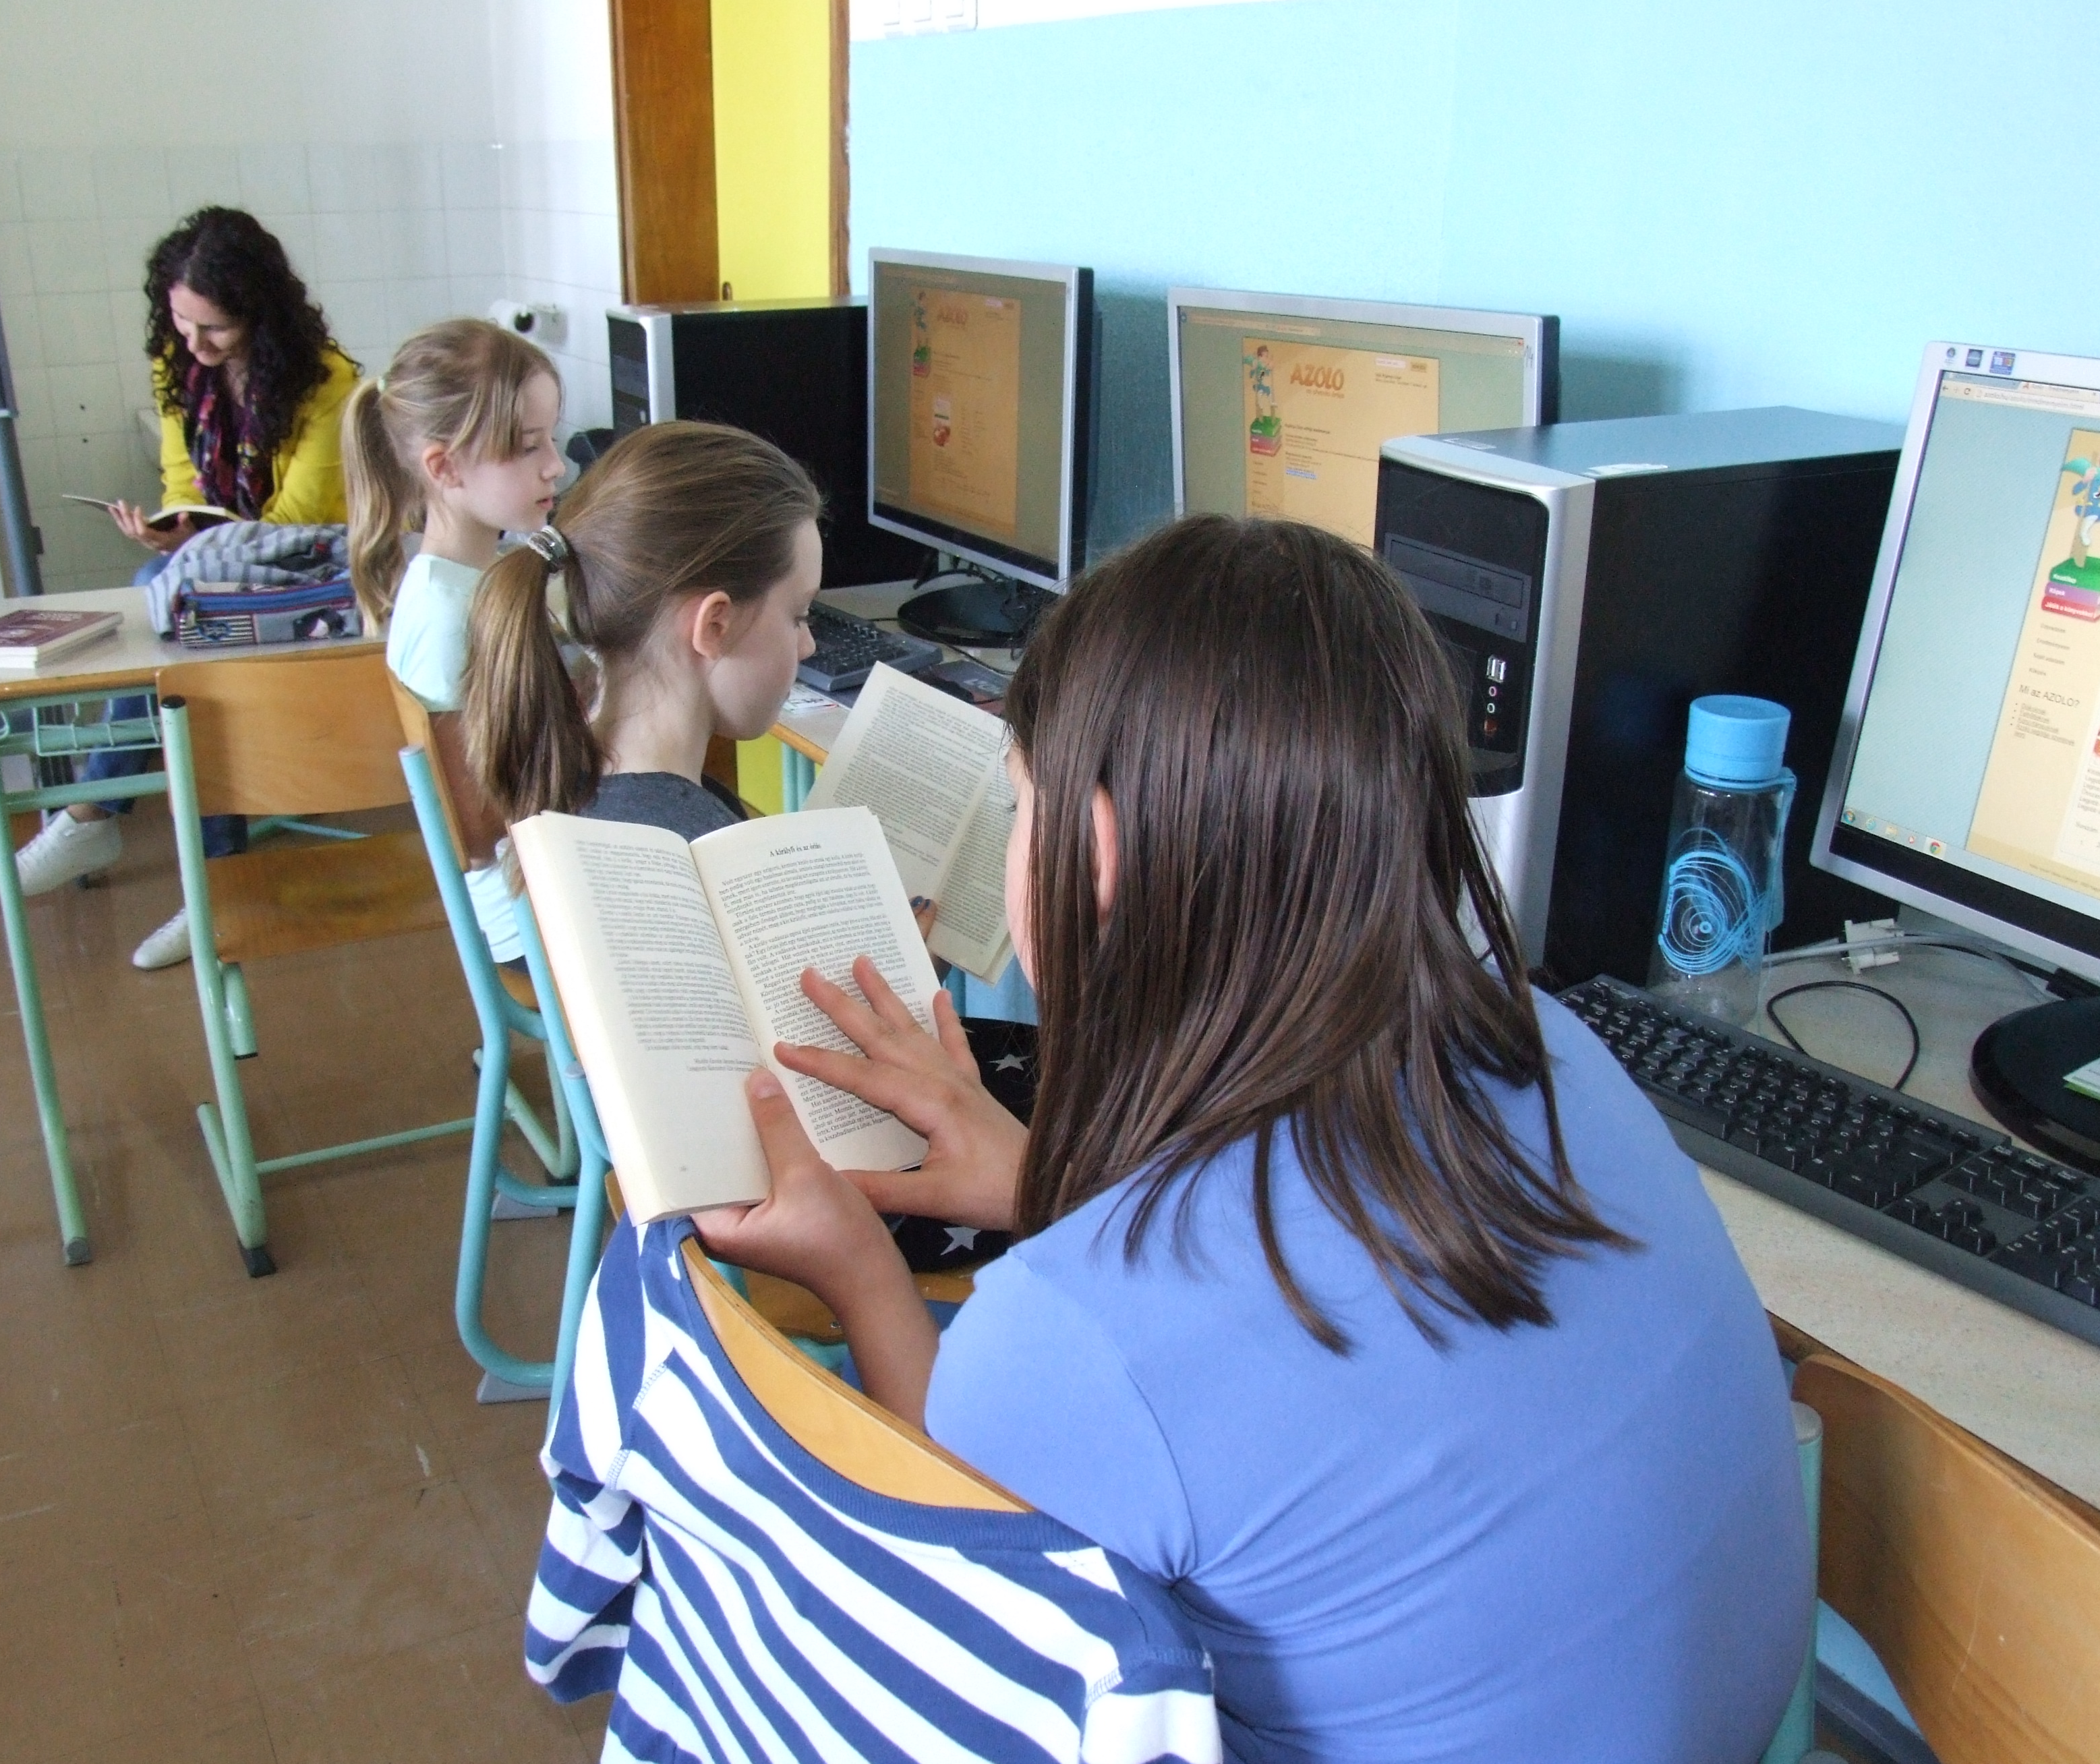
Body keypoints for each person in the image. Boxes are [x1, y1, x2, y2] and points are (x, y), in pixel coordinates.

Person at [690, 514, 1813, 1761]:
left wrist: (857, 1266)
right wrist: (1045, 1188)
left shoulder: (1070, 1341)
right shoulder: (1548, 1044)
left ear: (1095, 851)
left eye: (1017, 809)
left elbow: (971, 1613)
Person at [0, 208, 358, 972]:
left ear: (262, 313)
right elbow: (182, 479)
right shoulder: (178, 369)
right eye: (182, 323)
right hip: (219, 574)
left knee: (170, 605)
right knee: (182, 633)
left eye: (215, 328)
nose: (195, 344)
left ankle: (95, 813)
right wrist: (173, 529)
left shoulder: (329, 385)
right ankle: (209, 885)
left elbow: (300, 519)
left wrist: (191, 549)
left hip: (309, 573)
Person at [458, 419, 823, 852]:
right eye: (799, 616)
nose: (808, 646)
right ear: (714, 626)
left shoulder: (569, 773)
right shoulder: (700, 847)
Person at [343, 318, 564, 962]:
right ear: (443, 467)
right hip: (526, 918)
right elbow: (477, 827)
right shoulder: (445, 617)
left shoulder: (475, 577)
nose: (556, 465)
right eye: (528, 447)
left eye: (552, 438)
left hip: (543, 883)